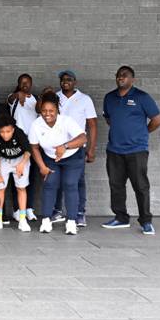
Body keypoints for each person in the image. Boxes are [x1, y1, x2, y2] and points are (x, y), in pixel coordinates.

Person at [102, 65, 160, 235]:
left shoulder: (142, 97)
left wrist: (143, 132)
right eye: (118, 75)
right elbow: (109, 119)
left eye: (125, 75)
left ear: (132, 79)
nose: (121, 78)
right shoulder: (109, 98)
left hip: (136, 150)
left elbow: (157, 119)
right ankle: (121, 218)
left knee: (141, 186)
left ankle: (146, 221)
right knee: (116, 185)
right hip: (114, 150)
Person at [29, 91, 87, 235]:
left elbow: (83, 138)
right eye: (44, 111)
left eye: (51, 111)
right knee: (49, 184)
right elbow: (34, 148)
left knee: (70, 184)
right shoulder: (36, 125)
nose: (47, 114)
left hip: (73, 157)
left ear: (57, 110)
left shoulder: (66, 121)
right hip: (51, 158)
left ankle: (72, 222)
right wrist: (42, 166)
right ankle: (46, 220)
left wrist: (65, 146)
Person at [53, 70, 98, 226]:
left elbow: (92, 125)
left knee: (77, 182)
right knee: (55, 181)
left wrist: (91, 149)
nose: (65, 81)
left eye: (69, 79)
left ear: (75, 82)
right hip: (56, 148)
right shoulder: (55, 97)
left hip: (77, 148)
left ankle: (79, 213)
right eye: (63, 79)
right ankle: (57, 211)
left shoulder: (85, 99)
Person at [0, 116, 32, 232]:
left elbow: (28, 150)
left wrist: (22, 164)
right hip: (3, 161)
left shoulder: (19, 133)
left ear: (13, 129)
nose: (5, 134)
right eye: (2, 131)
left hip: (21, 159)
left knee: (21, 188)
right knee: (0, 187)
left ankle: (22, 220)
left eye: (8, 131)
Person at [6, 74, 39, 222]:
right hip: (17, 142)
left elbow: (40, 109)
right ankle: (17, 209)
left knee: (31, 176)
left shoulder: (36, 99)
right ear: (18, 84)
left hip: (33, 142)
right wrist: (18, 94)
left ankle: (29, 208)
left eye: (27, 83)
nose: (25, 85)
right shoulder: (13, 98)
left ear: (31, 84)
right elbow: (11, 99)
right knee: (16, 175)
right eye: (22, 83)